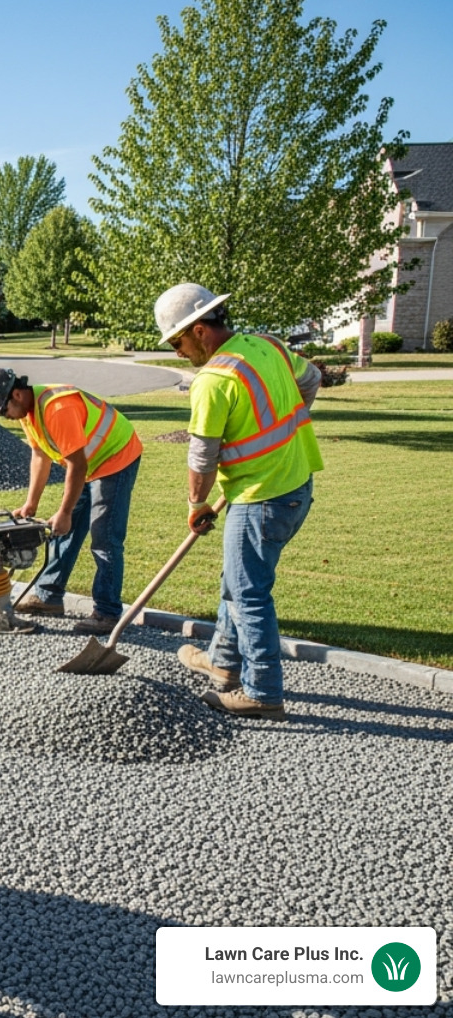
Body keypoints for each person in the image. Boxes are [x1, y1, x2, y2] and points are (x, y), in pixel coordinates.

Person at [155, 283, 323, 721]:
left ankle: (262, 691)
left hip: (261, 499)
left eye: (176, 342)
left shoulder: (213, 380)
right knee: (236, 580)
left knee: (248, 594)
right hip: (295, 485)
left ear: (199, 330)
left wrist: (195, 504)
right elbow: (311, 379)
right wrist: (287, 430)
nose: (177, 352)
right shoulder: (268, 345)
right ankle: (223, 662)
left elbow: (202, 456)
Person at [0, 368, 143, 635]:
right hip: (89, 462)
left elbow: (77, 465)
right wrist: (31, 504)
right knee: (61, 531)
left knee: (105, 537)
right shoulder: (29, 413)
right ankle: (48, 597)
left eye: (3, 410)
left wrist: (65, 511)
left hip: (115, 457)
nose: (6, 417)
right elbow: (39, 456)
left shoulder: (57, 409)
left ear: (16, 395)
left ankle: (108, 613)